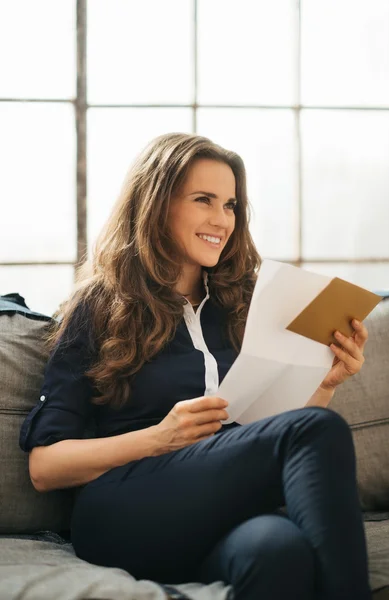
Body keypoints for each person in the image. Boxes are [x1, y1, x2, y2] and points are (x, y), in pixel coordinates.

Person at [19, 132, 372, 600]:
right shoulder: (100, 305)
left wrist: (323, 384)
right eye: (204, 200)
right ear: (157, 204)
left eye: (229, 205)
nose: (221, 219)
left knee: (279, 551)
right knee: (317, 428)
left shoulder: (240, 306)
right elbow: (45, 467)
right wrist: (158, 438)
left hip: (212, 508)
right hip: (123, 510)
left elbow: (260, 433)